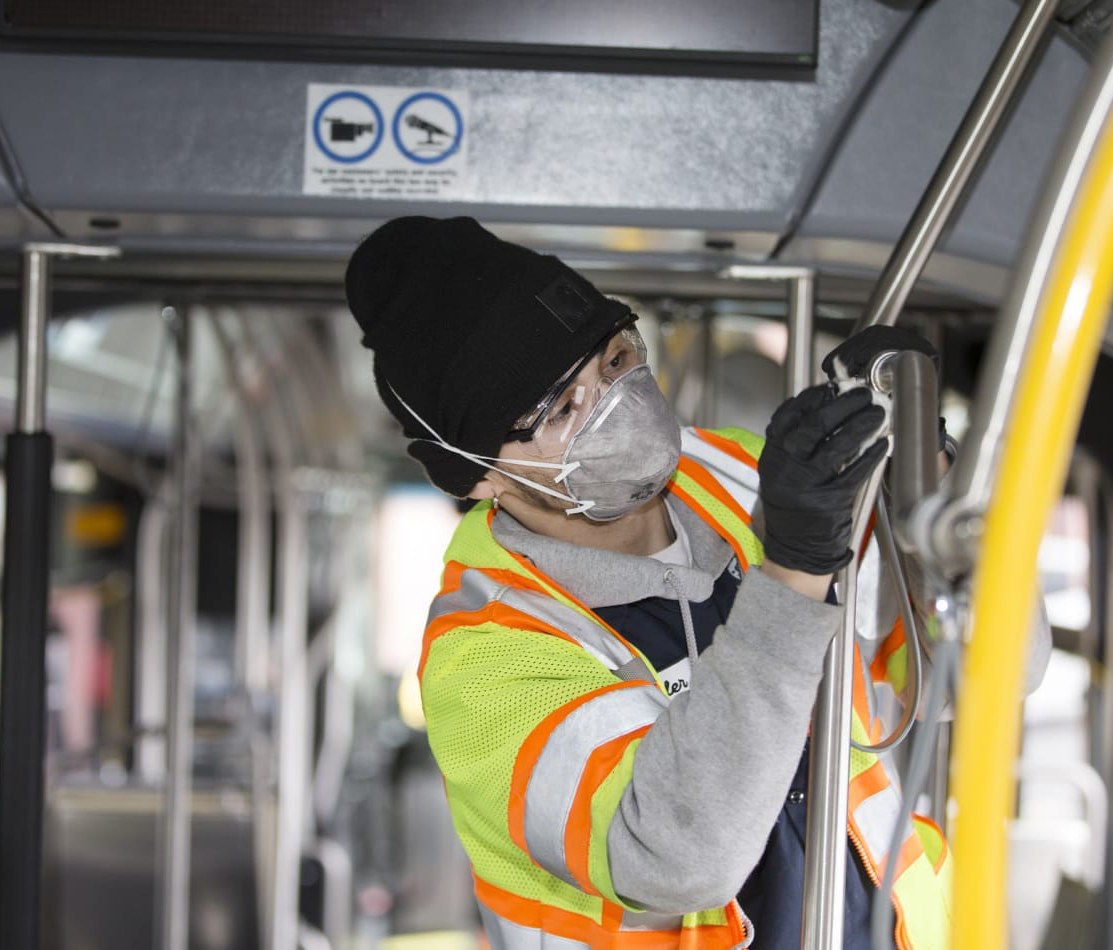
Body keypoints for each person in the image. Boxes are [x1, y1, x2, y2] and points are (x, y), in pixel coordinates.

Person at [345, 216, 957, 948]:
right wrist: (793, 572)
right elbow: (677, 857)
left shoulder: (749, 476)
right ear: (478, 475)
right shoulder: (484, 660)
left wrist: (931, 483)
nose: (614, 403)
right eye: (560, 408)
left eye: (614, 360)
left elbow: (982, 676)